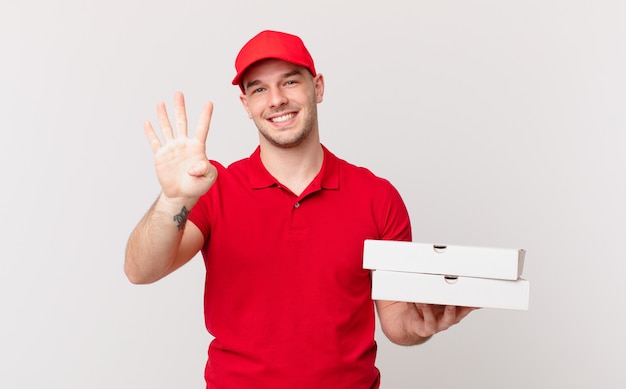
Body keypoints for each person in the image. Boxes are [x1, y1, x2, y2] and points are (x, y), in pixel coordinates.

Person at [125, 30, 474, 389]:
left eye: (290, 81)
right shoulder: (215, 189)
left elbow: (396, 318)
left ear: (318, 87)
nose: (276, 100)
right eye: (259, 88)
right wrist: (173, 199)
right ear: (246, 105)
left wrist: (419, 328)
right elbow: (141, 270)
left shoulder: (377, 197)